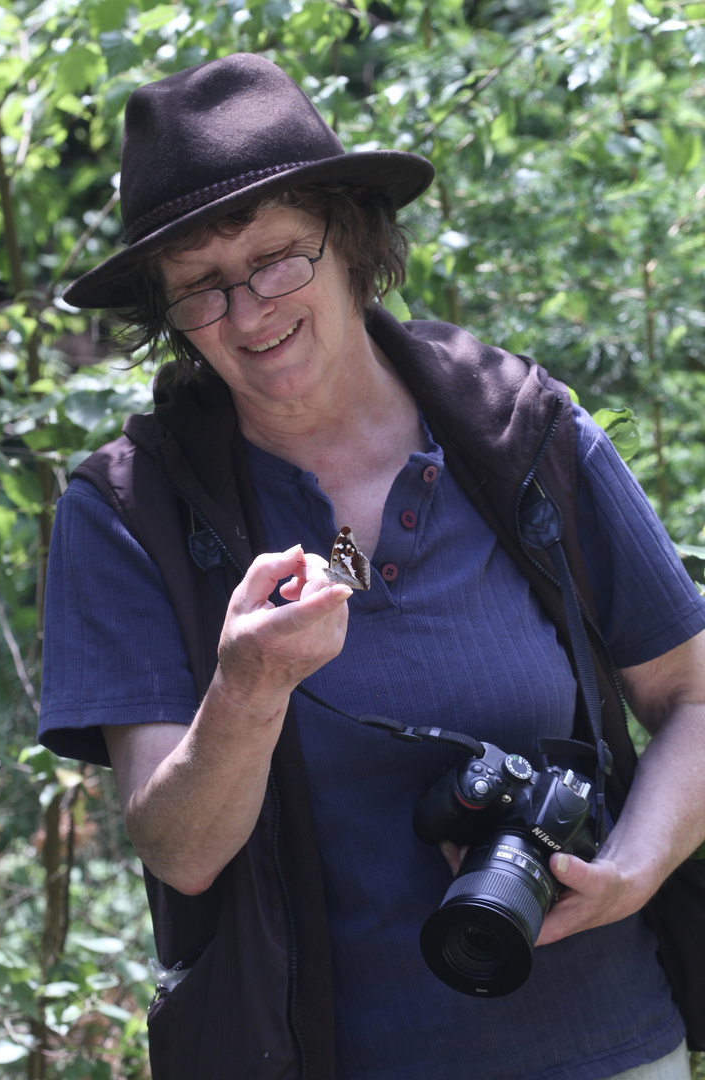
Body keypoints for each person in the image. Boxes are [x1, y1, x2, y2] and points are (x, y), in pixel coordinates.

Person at [39, 52, 705, 1080]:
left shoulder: (523, 435)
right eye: (202, 290)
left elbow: (691, 697)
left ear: (348, 236)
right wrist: (247, 691)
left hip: (610, 1046)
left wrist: (630, 866)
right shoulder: (137, 510)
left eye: (275, 259)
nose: (250, 313)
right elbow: (180, 849)